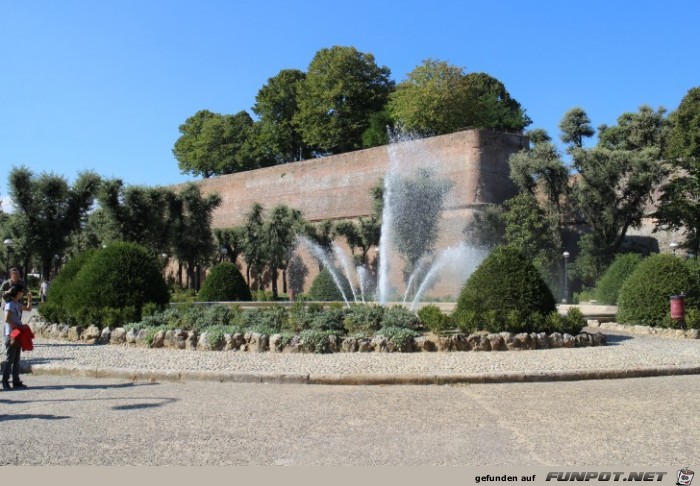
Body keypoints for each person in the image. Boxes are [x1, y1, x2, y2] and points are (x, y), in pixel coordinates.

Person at [3, 284, 32, 389]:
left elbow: (28, 309)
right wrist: (18, 326)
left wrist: (29, 299)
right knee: (9, 359)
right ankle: (5, 381)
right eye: (22, 292)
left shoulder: (17, 304)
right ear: (17, 293)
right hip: (11, 334)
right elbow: (6, 319)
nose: (22, 293)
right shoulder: (9, 304)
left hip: (18, 333)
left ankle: (16, 381)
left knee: (16, 360)